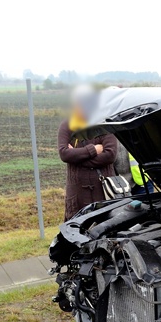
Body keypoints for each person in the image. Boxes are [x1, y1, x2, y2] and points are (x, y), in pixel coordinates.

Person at [57, 84, 118, 220]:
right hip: (77, 195)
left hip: (104, 192)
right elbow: (64, 154)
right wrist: (93, 150)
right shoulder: (67, 125)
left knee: (107, 228)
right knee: (76, 231)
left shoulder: (104, 123)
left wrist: (77, 157)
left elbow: (110, 155)